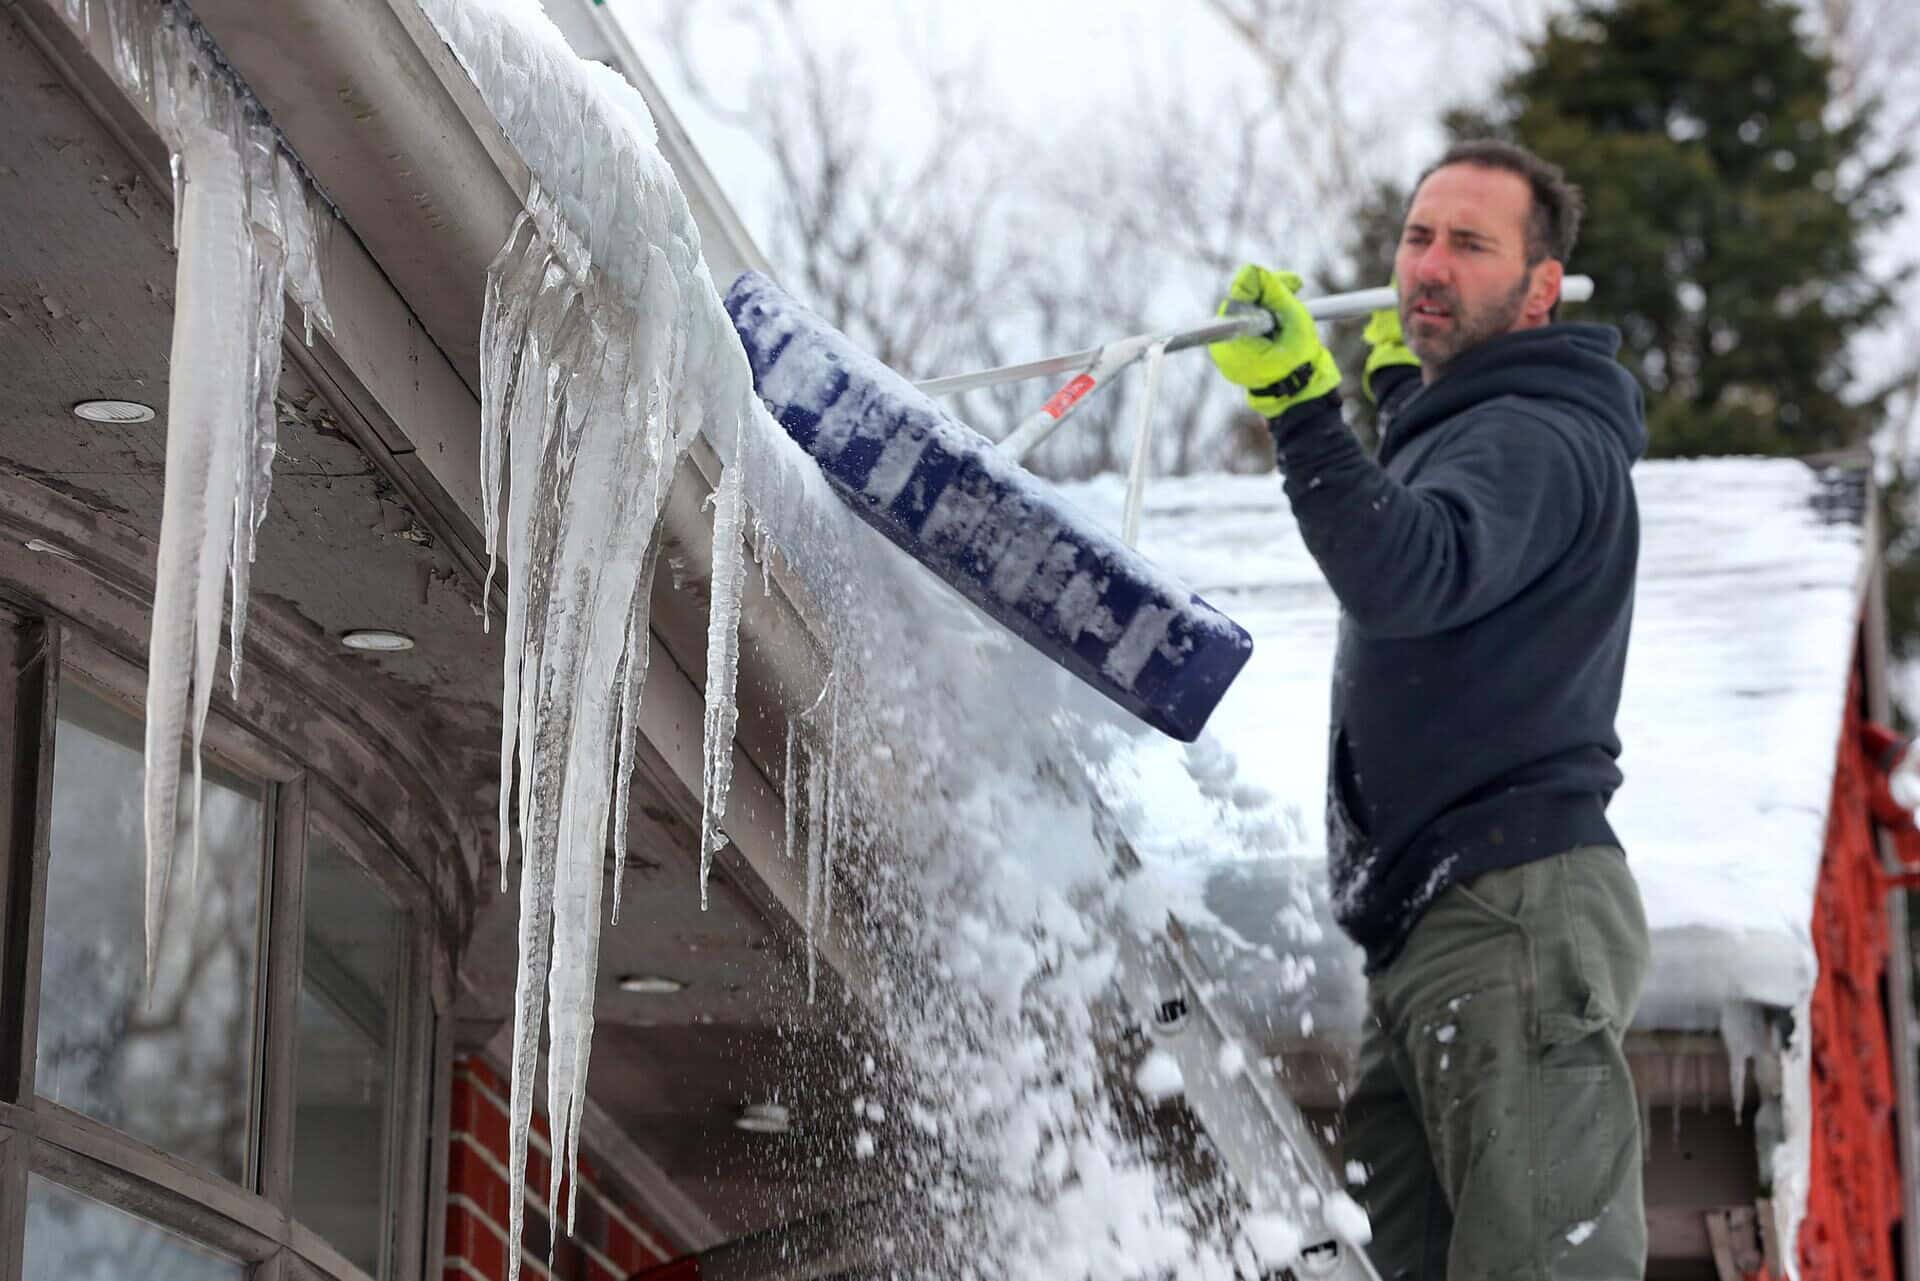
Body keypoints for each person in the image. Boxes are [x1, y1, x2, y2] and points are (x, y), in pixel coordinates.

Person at [1208, 139, 1652, 1280]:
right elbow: (1451, 528)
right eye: (1418, 237)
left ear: (1541, 288)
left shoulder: (1540, 435)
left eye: (1470, 243)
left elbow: (1412, 571)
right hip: (1431, 930)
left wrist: (1309, 411)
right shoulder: (1489, 430)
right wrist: (1404, 403)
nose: (1429, 267)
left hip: (1510, 913)